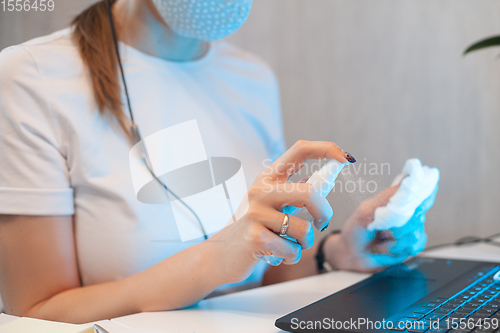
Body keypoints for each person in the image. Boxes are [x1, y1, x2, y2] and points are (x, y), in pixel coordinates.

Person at [0, 0, 434, 324]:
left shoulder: (252, 79)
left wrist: (334, 251)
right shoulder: (31, 77)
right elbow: (35, 312)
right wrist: (211, 262)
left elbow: (261, 275)